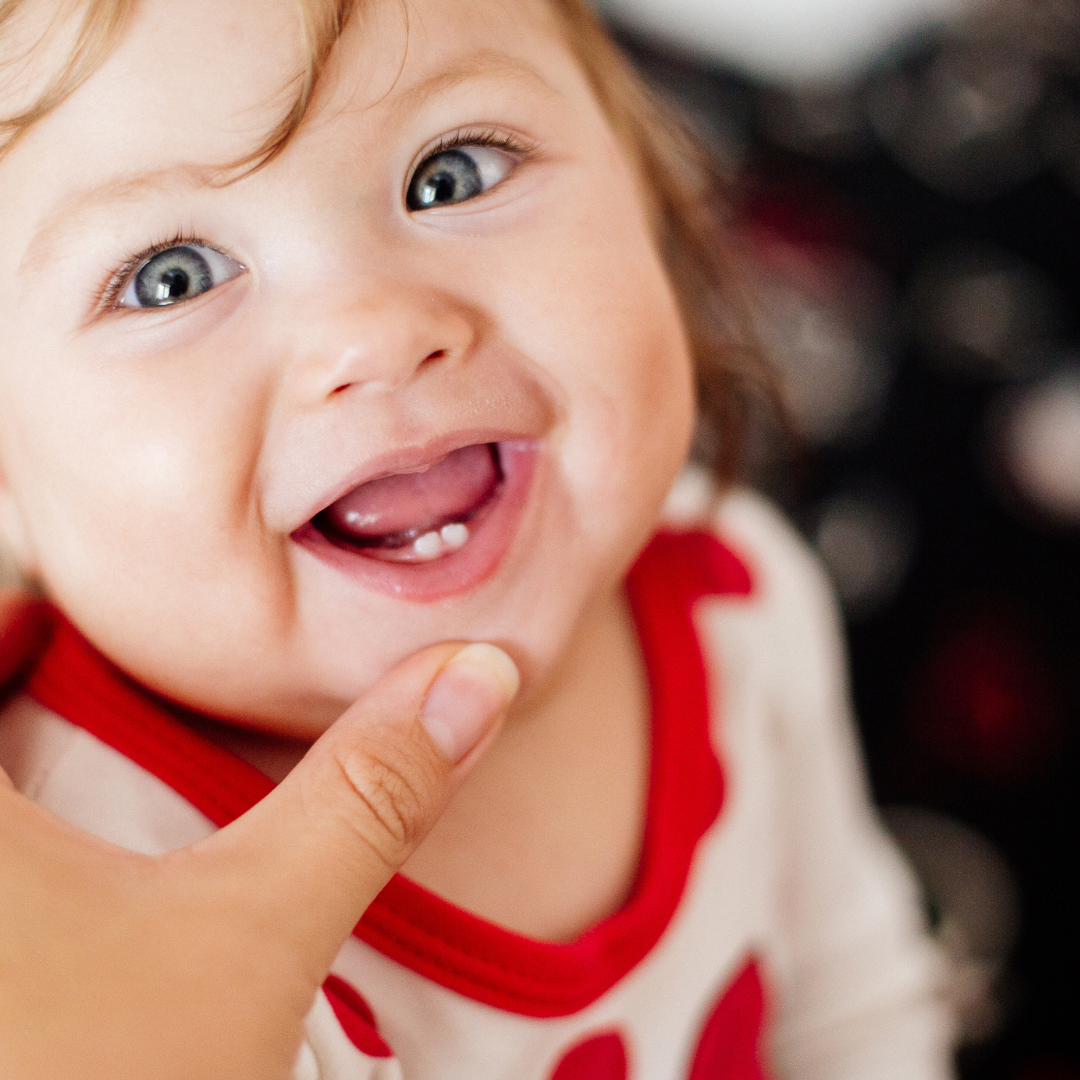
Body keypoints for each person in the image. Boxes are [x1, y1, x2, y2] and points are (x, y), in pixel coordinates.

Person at [0, 1, 953, 1077]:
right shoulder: (89, 870)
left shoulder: (736, 589)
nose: (378, 331)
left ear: (657, 200)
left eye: (453, 173)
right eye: (170, 276)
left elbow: (854, 1010)